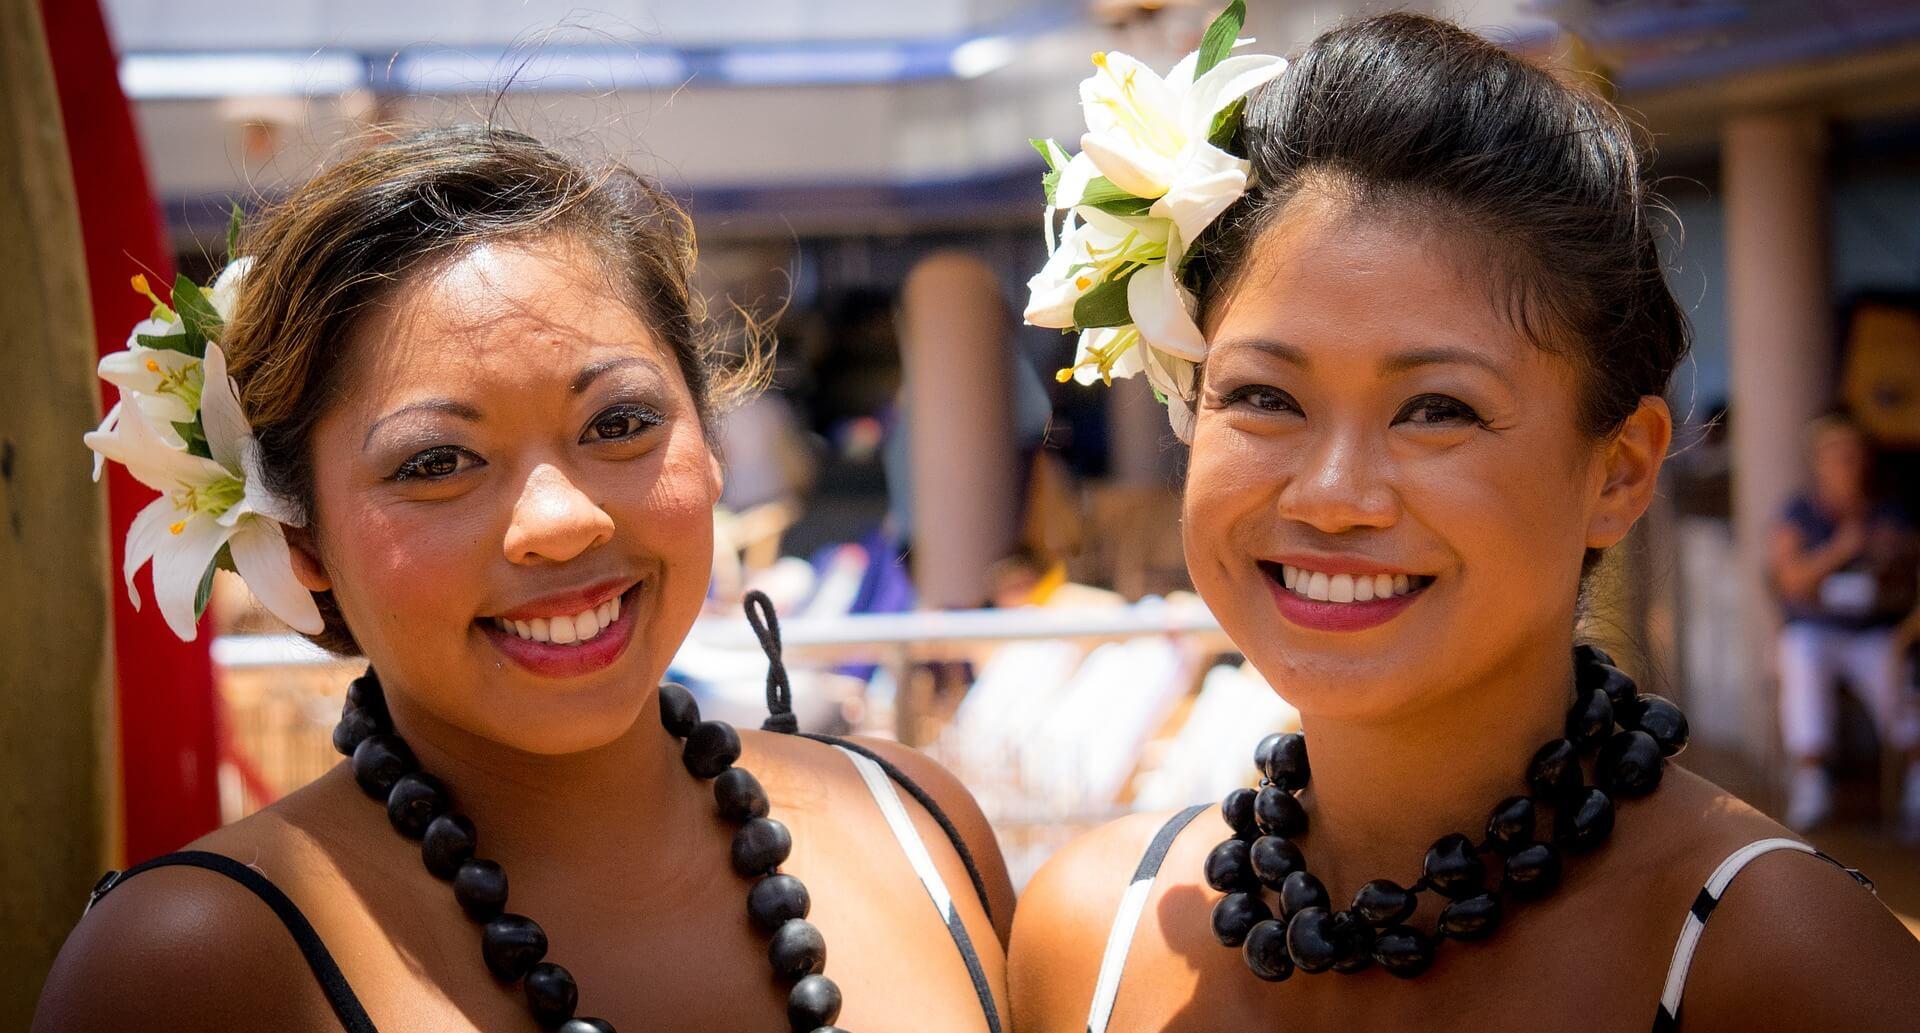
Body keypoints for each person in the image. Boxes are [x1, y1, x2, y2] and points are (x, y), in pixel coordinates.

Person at [1009, 11, 1920, 1033]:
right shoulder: (1089, 936)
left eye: (1436, 410)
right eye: (1265, 396)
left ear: (1618, 472)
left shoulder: (1781, 965)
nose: (1331, 494)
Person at [37, 126, 1012, 1033]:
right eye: (435, 462)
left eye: (619, 423)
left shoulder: (922, 829)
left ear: (710, 444)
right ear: (301, 541)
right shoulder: (194, 964)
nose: (562, 521)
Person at [1769, 412, 1920, 833]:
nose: (1843, 463)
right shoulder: (1799, 510)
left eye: (1851, 453)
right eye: (1833, 453)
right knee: (1800, 652)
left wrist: (1893, 557)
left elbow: (1907, 584)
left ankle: (1915, 783)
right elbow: (1789, 580)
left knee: (1902, 673)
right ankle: (1811, 778)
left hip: (1873, 633)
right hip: (1815, 630)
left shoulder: (1888, 511)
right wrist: (1842, 548)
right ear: (1817, 460)